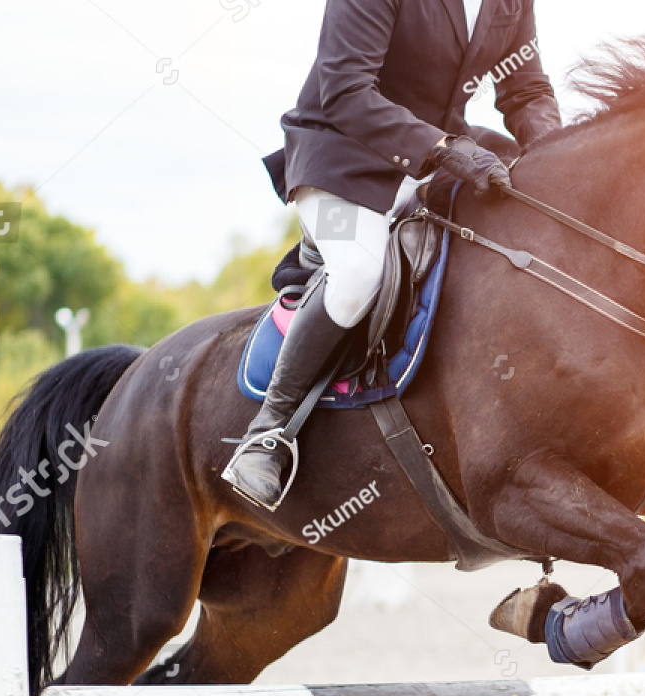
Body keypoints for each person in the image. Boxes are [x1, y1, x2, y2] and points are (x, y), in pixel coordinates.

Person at [225, 0, 564, 510]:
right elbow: (345, 91)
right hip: (337, 166)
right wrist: (443, 146)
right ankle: (268, 433)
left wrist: (557, 157)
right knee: (360, 270)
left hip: (436, 163)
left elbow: (526, 89)